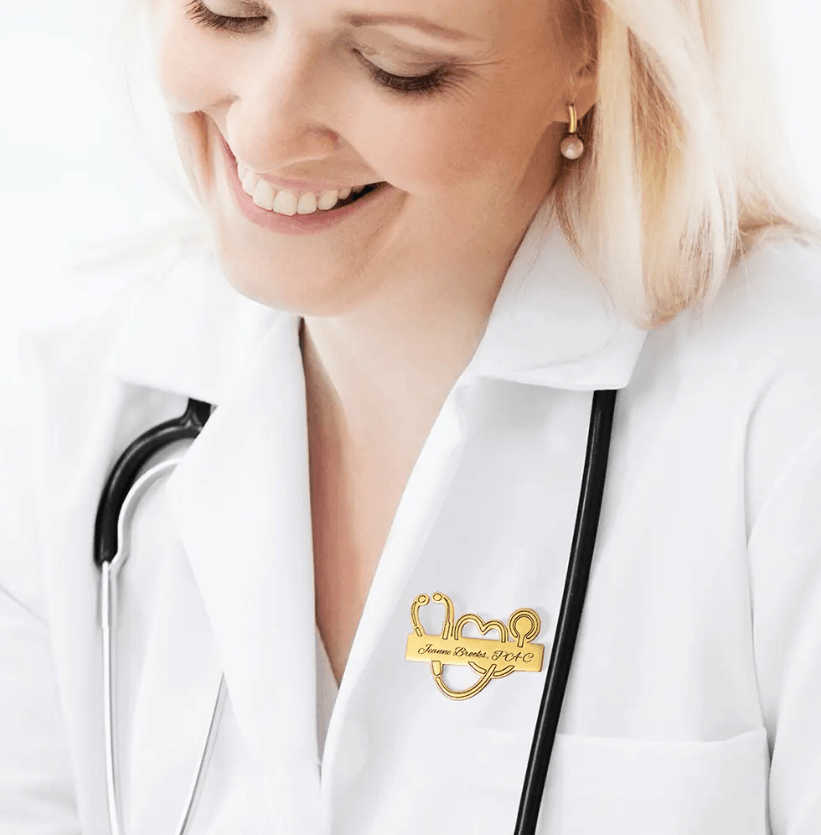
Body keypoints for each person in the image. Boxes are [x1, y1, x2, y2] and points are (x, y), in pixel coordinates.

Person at [3, 0, 821, 831]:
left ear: (591, 54)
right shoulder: (58, 426)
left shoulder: (786, 418)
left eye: (395, 64)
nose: (266, 127)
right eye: (228, 15)